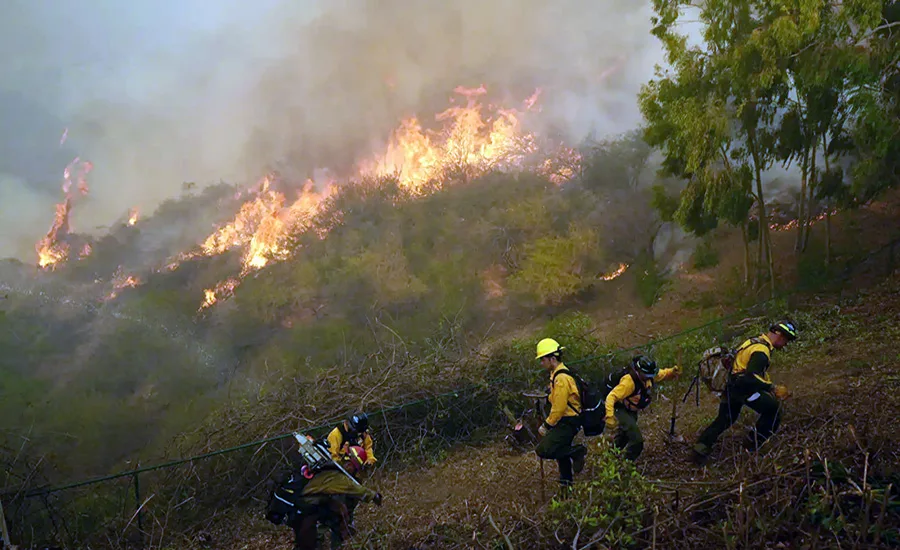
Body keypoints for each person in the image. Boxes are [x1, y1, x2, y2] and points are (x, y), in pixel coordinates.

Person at [691, 321, 798, 464]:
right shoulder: (761, 351)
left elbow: (750, 371)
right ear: (778, 333)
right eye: (786, 339)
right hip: (742, 388)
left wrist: (767, 384)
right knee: (773, 409)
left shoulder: (753, 342)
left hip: (731, 385)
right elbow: (750, 377)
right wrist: (771, 388)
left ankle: (699, 450)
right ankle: (753, 446)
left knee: (725, 419)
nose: (786, 343)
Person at [281, 445, 383, 550]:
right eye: (355, 468)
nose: (355, 472)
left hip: (310, 505)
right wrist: (373, 495)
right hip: (303, 510)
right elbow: (353, 488)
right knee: (307, 544)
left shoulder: (331, 469)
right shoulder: (335, 476)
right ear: (349, 464)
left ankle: (335, 544)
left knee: (338, 512)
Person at [602, 355, 681, 461]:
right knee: (637, 441)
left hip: (631, 410)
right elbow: (611, 397)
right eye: (647, 375)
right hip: (621, 409)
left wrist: (672, 371)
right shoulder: (628, 382)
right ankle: (626, 465)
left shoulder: (649, 375)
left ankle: (610, 459)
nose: (650, 377)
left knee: (624, 436)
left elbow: (661, 374)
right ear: (639, 372)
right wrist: (609, 416)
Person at [533, 338, 588, 490]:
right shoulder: (557, 375)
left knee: (543, 449)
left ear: (552, 358)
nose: (541, 363)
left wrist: (547, 425)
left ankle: (577, 452)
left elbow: (559, 407)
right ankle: (567, 488)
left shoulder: (561, 378)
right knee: (560, 455)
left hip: (568, 421)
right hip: (568, 420)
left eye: (542, 359)